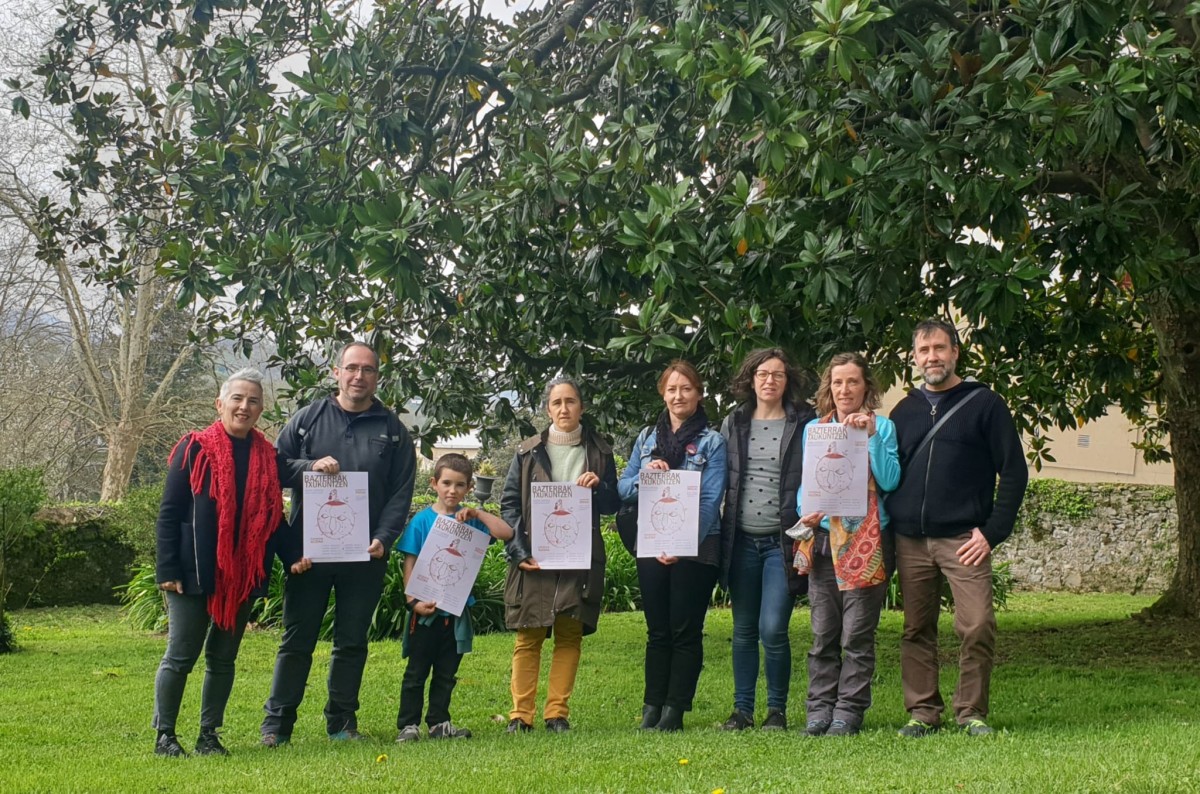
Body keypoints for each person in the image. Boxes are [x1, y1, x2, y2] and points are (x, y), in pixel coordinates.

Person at [261, 341, 416, 745]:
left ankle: (341, 723)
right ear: (335, 372)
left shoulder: (393, 430)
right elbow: (273, 469)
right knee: (297, 641)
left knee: (351, 642)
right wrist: (309, 466)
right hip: (309, 554)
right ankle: (277, 726)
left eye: (367, 370)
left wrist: (384, 538)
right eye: (351, 368)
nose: (358, 376)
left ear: (377, 377)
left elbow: (401, 492)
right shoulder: (307, 419)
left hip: (366, 556)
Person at [152, 368, 306, 757]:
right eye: (237, 398)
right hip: (193, 573)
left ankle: (208, 735)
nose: (244, 406)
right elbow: (169, 514)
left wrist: (294, 557)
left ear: (261, 409)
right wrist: (167, 570)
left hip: (241, 576)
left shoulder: (267, 456)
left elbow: (272, 518)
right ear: (220, 404)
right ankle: (165, 736)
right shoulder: (194, 449)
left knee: (222, 658)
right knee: (181, 654)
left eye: (253, 400)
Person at [888, 318, 1028, 738]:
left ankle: (971, 712)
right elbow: (884, 469)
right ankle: (923, 712)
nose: (932, 357)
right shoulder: (904, 410)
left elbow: (1015, 472)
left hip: (964, 538)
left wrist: (991, 532)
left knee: (978, 623)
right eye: (924, 350)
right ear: (915, 358)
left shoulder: (985, 404)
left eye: (940, 348)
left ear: (955, 353)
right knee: (916, 628)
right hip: (910, 539)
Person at [500, 377, 620, 734]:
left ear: (581, 406)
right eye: (557, 403)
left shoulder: (601, 450)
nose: (564, 408)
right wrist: (518, 551)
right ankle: (520, 716)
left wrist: (599, 488)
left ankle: (557, 714)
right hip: (535, 556)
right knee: (528, 634)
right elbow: (509, 506)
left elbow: (614, 504)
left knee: (569, 634)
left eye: (570, 401)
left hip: (579, 555)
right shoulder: (526, 452)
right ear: (547, 409)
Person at [792, 353, 899, 737]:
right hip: (823, 541)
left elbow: (889, 481)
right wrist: (806, 510)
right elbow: (808, 484)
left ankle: (848, 713)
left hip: (867, 541)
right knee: (823, 633)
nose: (844, 390)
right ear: (828, 388)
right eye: (837, 383)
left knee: (856, 635)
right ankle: (818, 710)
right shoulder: (814, 430)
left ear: (866, 387)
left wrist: (869, 437)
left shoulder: (883, 428)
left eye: (852, 382)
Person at [618, 361, 727, 732]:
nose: (678, 396)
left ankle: (675, 710)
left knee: (685, 628)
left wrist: (684, 543)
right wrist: (643, 478)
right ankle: (652, 705)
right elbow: (622, 487)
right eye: (671, 389)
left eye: (686, 389)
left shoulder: (713, 442)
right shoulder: (647, 438)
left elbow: (711, 501)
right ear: (662, 394)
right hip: (651, 541)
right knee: (657, 629)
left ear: (698, 393)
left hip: (696, 547)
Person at [719, 348, 816, 731]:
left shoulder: (805, 421)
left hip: (783, 542)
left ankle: (776, 710)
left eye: (778, 374)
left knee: (773, 628)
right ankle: (742, 710)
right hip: (740, 541)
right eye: (762, 374)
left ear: (787, 381)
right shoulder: (734, 422)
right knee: (743, 630)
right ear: (751, 379)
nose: (770, 380)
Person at [394, 454, 513, 743]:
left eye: (460, 485)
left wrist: (478, 513)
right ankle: (408, 725)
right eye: (446, 483)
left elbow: (506, 532)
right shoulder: (422, 521)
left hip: (456, 612)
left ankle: (439, 723)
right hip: (425, 611)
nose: (452, 490)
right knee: (416, 672)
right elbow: (409, 564)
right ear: (434, 483)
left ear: (469, 487)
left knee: (447, 672)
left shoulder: (471, 521)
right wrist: (413, 602)